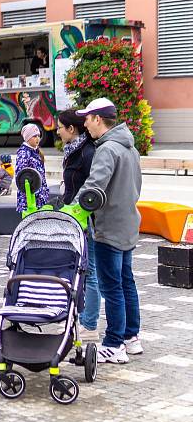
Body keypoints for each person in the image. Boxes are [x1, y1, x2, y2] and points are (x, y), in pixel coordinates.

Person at [75, 98, 143, 364]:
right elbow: (136, 185)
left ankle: (114, 344)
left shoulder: (106, 149)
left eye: (87, 118)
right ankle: (131, 337)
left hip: (109, 228)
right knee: (127, 282)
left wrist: (73, 207)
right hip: (128, 224)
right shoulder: (130, 148)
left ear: (98, 119)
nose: (84, 123)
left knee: (111, 286)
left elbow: (94, 187)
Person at [57, 108, 99, 341]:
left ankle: (90, 325)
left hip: (86, 220)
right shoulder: (73, 151)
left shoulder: (87, 153)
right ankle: (81, 318)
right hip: (73, 218)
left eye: (61, 127)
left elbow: (91, 188)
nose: (57, 131)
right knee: (79, 270)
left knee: (90, 272)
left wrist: (76, 207)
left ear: (72, 129)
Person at [15, 123, 49, 212]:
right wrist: (33, 193)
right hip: (30, 200)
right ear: (27, 138)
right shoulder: (23, 154)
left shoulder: (37, 152)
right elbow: (21, 177)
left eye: (38, 136)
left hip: (40, 196)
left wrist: (44, 191)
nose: (37, 138)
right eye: (34, 136)